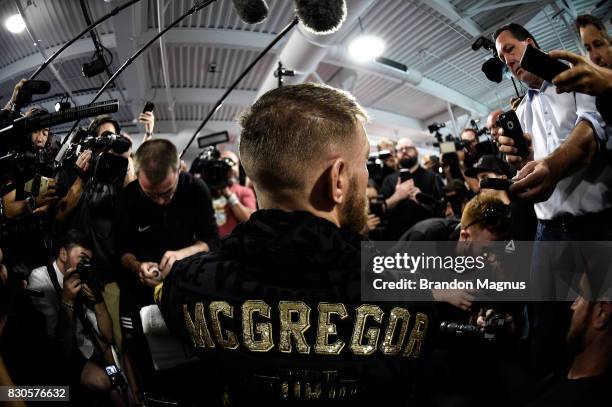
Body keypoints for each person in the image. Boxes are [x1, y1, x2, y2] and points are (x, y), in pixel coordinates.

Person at [157, 83, 432, 404]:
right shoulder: (407, 292)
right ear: (338, 179)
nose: (367, 175)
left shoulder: (188, 284)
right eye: (364, 162)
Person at [115, 138, 218, 399]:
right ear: (137, 176)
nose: (161, 201)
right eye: (152, 194)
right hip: (139, 294)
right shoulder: (127, 198)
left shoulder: (196, 189)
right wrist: (137, 266)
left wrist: (182, 255)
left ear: (179, 170)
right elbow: (122, 249)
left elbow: (212, 241)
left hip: (187, 289)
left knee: (194, 364)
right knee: (145, 359)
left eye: (168, 192)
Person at [494, 23, 612, 241]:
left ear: (529, 43)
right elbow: (529, 163)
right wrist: (521, 162)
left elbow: (591, 132)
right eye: (502, 59)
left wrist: (551, 166)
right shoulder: (520, 112)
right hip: (547, 228)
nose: (508, 62)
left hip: (597, 223)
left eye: (509, 50)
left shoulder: (578, 77)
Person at [27, 230, 123, 405]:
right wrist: (67, 300)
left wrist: (97, 300)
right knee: (102, 382)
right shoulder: (41, 278)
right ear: (63, 254)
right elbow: (58, 345)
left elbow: (108, 335)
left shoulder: (84, 278)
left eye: (89, 261)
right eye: (82, 257)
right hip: (62, 355)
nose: (86, 264)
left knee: (121, 393)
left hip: (87, 347)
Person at [380, 137, 444, 240]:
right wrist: (397, 196)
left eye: (408, 148)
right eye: (401, 149)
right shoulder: (389, 180)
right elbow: (380, 210)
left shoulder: (432, 177)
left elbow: (442, 208)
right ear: (397, 154)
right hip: (397, 240)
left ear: (416, 151)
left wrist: (422, 199)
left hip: (427, 238)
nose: (404, 151)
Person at [212, 150, 256, 238]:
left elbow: (251, 221)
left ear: (238, 167)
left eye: (234, 164)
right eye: (224, 164)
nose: (230, 168)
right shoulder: (207, 188)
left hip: (235, 246)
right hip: (212, 247)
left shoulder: (245, 191)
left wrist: (229, 195)